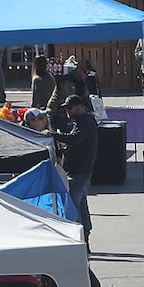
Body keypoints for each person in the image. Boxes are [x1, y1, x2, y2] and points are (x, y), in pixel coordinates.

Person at [54, 95, 99, 244]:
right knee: (81, 207)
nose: (68, 112)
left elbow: (75, 139)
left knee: (73, 210)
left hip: (78, 173)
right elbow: (76, 142)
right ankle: (85, 238)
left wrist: (54, 135)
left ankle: (78, 241)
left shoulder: (85, 122)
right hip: (81, 173)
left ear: (80, 106)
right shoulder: (83, 122)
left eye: (70, 108)